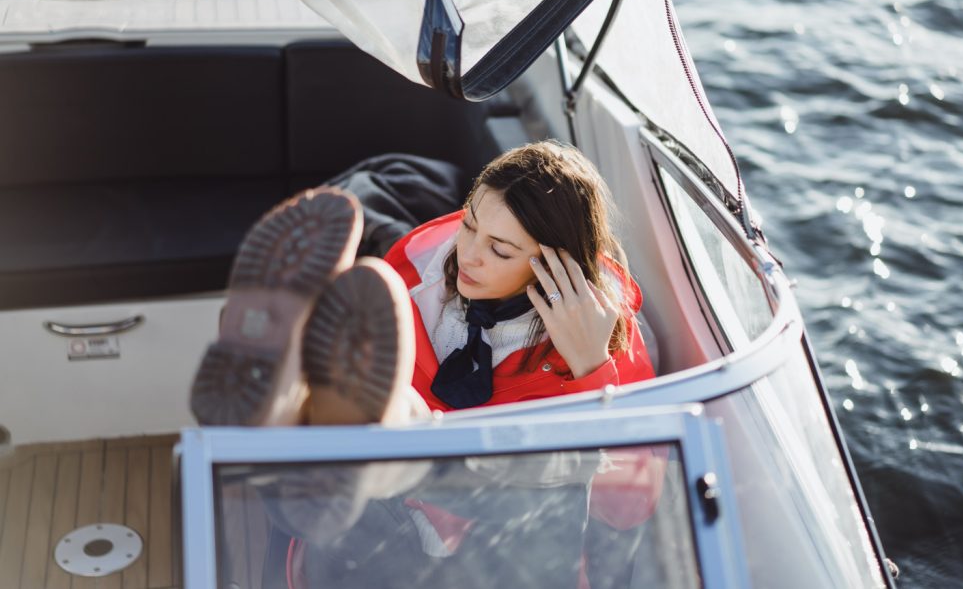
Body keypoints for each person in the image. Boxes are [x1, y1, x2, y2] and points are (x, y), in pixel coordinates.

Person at [189, 141, 660, 587]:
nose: (468, 254)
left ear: (556, 266)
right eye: (469, 225)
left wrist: (591, 370)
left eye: (499, 249)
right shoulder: (413, 280)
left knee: (554, 475)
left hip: (504, 555)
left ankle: (340, 425)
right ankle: (308, 402)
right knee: (345, 501)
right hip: (386, 529)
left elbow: (629, 508)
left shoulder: (604, 337)